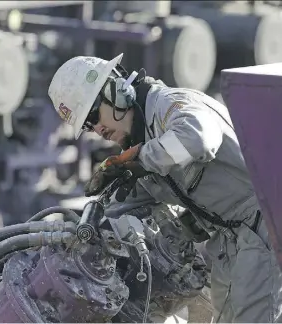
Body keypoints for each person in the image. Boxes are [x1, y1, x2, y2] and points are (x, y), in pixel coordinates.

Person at [47, 53, 282, 323]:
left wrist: (137, 160)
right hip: (233, 239)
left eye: (92, 114)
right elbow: (126, 208)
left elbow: (200, 138)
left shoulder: (167, 106)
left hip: (265, 219)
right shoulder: (143, 149)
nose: (97, 129)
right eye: (87, 126)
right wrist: (79, 238)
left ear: (116, 90)